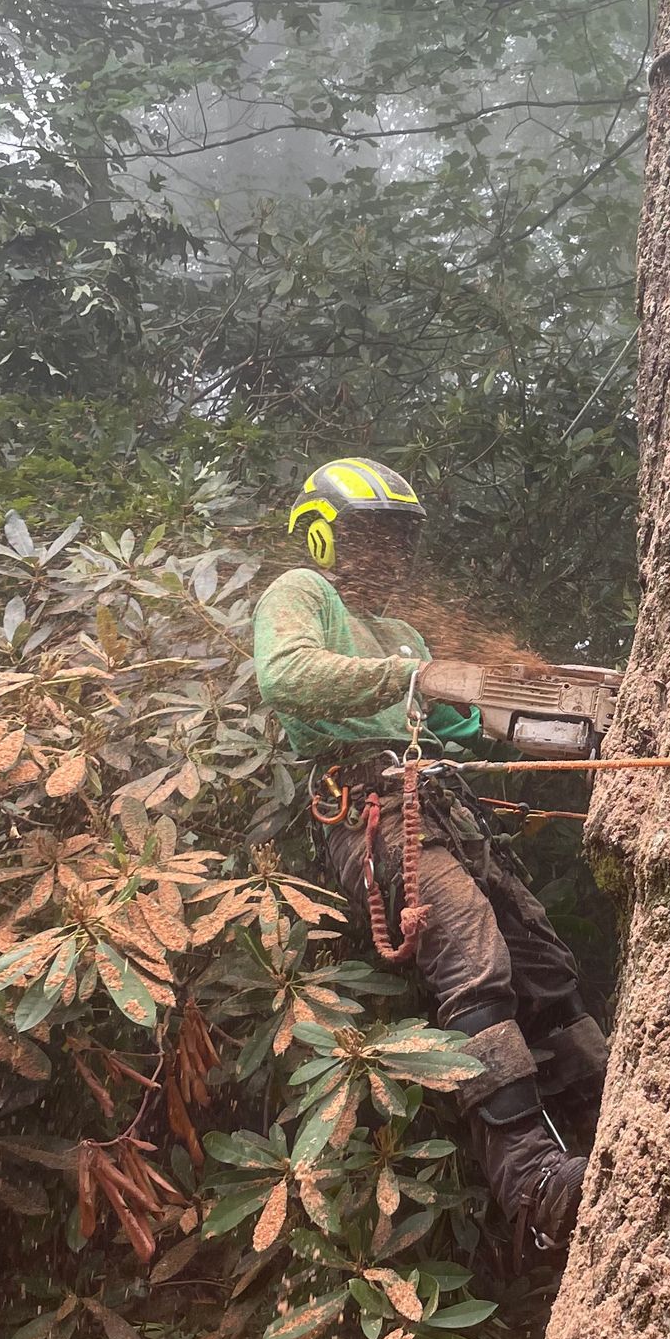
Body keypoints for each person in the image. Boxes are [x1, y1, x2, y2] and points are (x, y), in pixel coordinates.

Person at [252, 457, 606, 1254]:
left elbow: (458, 733)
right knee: (474, 962)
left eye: (396, 539)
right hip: (371, 809)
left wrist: (541, 719)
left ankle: (614, 1122)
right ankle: (530, 1179)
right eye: (371, 536)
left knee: (545, 968)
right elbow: (288, 677)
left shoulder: (404, 633)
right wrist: (416, 677)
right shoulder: (302, 595)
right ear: (328, 535)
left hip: (447, 806)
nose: (386, 555)